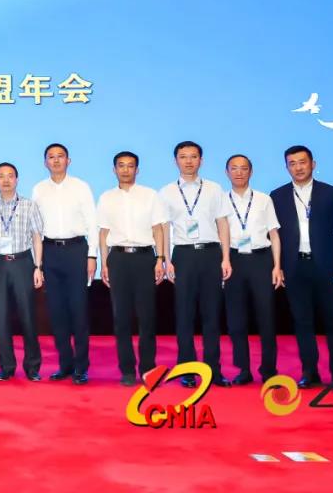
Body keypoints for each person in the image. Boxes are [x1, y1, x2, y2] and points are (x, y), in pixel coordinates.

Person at [270, 145, 333, 392]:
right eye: (292, 163)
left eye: (302, 162)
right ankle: (309, 372)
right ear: (287, 167)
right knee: (302, 321)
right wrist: (277, 266)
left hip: (327, 267)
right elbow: (273, 235)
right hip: (294, 267)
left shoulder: (330, 193)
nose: (298, 167)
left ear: (313, 164)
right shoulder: (277, 196)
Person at [159, 141, 232, 387]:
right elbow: (164, 228)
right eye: (183, 157)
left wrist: (226, 257)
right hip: (183, 256)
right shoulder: (167, 192)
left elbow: (223, 224)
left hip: (211, 254)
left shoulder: (214, 189)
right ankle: (187, 370)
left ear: (201, 160)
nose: (188, 161)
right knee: (184, 315)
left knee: (212, 315)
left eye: (193, 156)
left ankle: (213, 370)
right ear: (176, 161)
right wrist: (167, 260)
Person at [97, 151, 168, 386]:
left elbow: (158, 229)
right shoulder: (106, 198)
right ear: (114, 169)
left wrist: (160, 259)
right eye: (121, 165)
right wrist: (104, 263)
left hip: (145, 258)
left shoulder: (150, 195)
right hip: (118, 259)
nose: (125, 170)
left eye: (130, 166)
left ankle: (148, 369)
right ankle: (127, 370)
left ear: (137, 170)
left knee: (147, 317)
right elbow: (103, 233)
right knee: (121, 318)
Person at [31, 143, 97, 385]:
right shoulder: (39, 189)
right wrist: (38, 264)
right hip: (50, 252)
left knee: (78, 311)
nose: (56, 160)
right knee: (57, 312)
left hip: (76, 251)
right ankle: (65, 365)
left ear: (69, 161)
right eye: (51, 157)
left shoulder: (81, 187)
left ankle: (81, 367)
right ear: (45, 162)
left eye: (61, 156)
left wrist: (92, 256)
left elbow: (92, 223)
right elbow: (36, 229)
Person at [223, 154, 284, 385]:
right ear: (227, 172)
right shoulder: (220, 201)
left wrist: (277, 266)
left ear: (251, 171)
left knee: (266, 316)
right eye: (234, 168)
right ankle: (243, 369)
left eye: (244, 168)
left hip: (261, 260)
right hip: (234, 261)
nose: (239, 172)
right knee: (236, 319)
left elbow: (274, 234)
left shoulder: (264, 199)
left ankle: (269, 369)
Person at [0, 162, 44, 381]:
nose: (6, 180)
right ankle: (6, 367)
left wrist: (38, 267)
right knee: (1, 318)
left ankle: (32, 367)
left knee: (28, 316)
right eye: (1, 176)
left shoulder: (29, 205)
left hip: (23, 262)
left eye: (10, 176)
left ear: (17, 179)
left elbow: (37, 237)